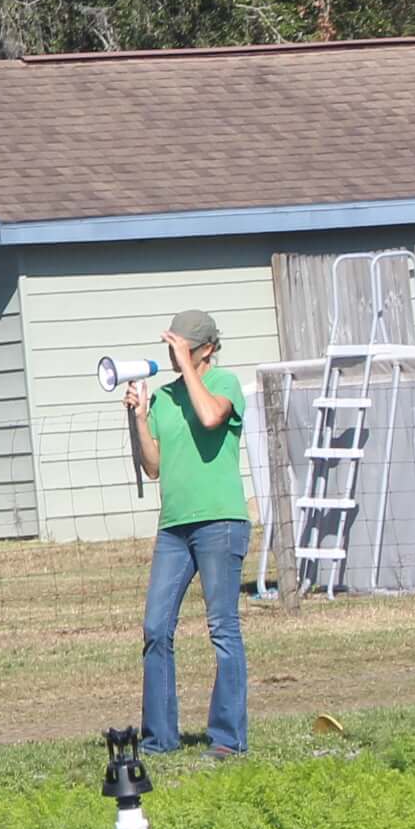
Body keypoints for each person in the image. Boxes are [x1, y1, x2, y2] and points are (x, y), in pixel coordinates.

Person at [130, 311, 253, 758]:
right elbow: (153, 465)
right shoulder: (165, 398)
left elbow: (208, 418)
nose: (171, 351)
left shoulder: (225, 384)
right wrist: (141, 417)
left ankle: (227, 740)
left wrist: (186, 367)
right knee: (155, 627)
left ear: (206, 349)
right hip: (174, 529)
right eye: (169, 344)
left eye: (181, 345)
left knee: (222, 628)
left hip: (221, 522)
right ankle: (159, 738)